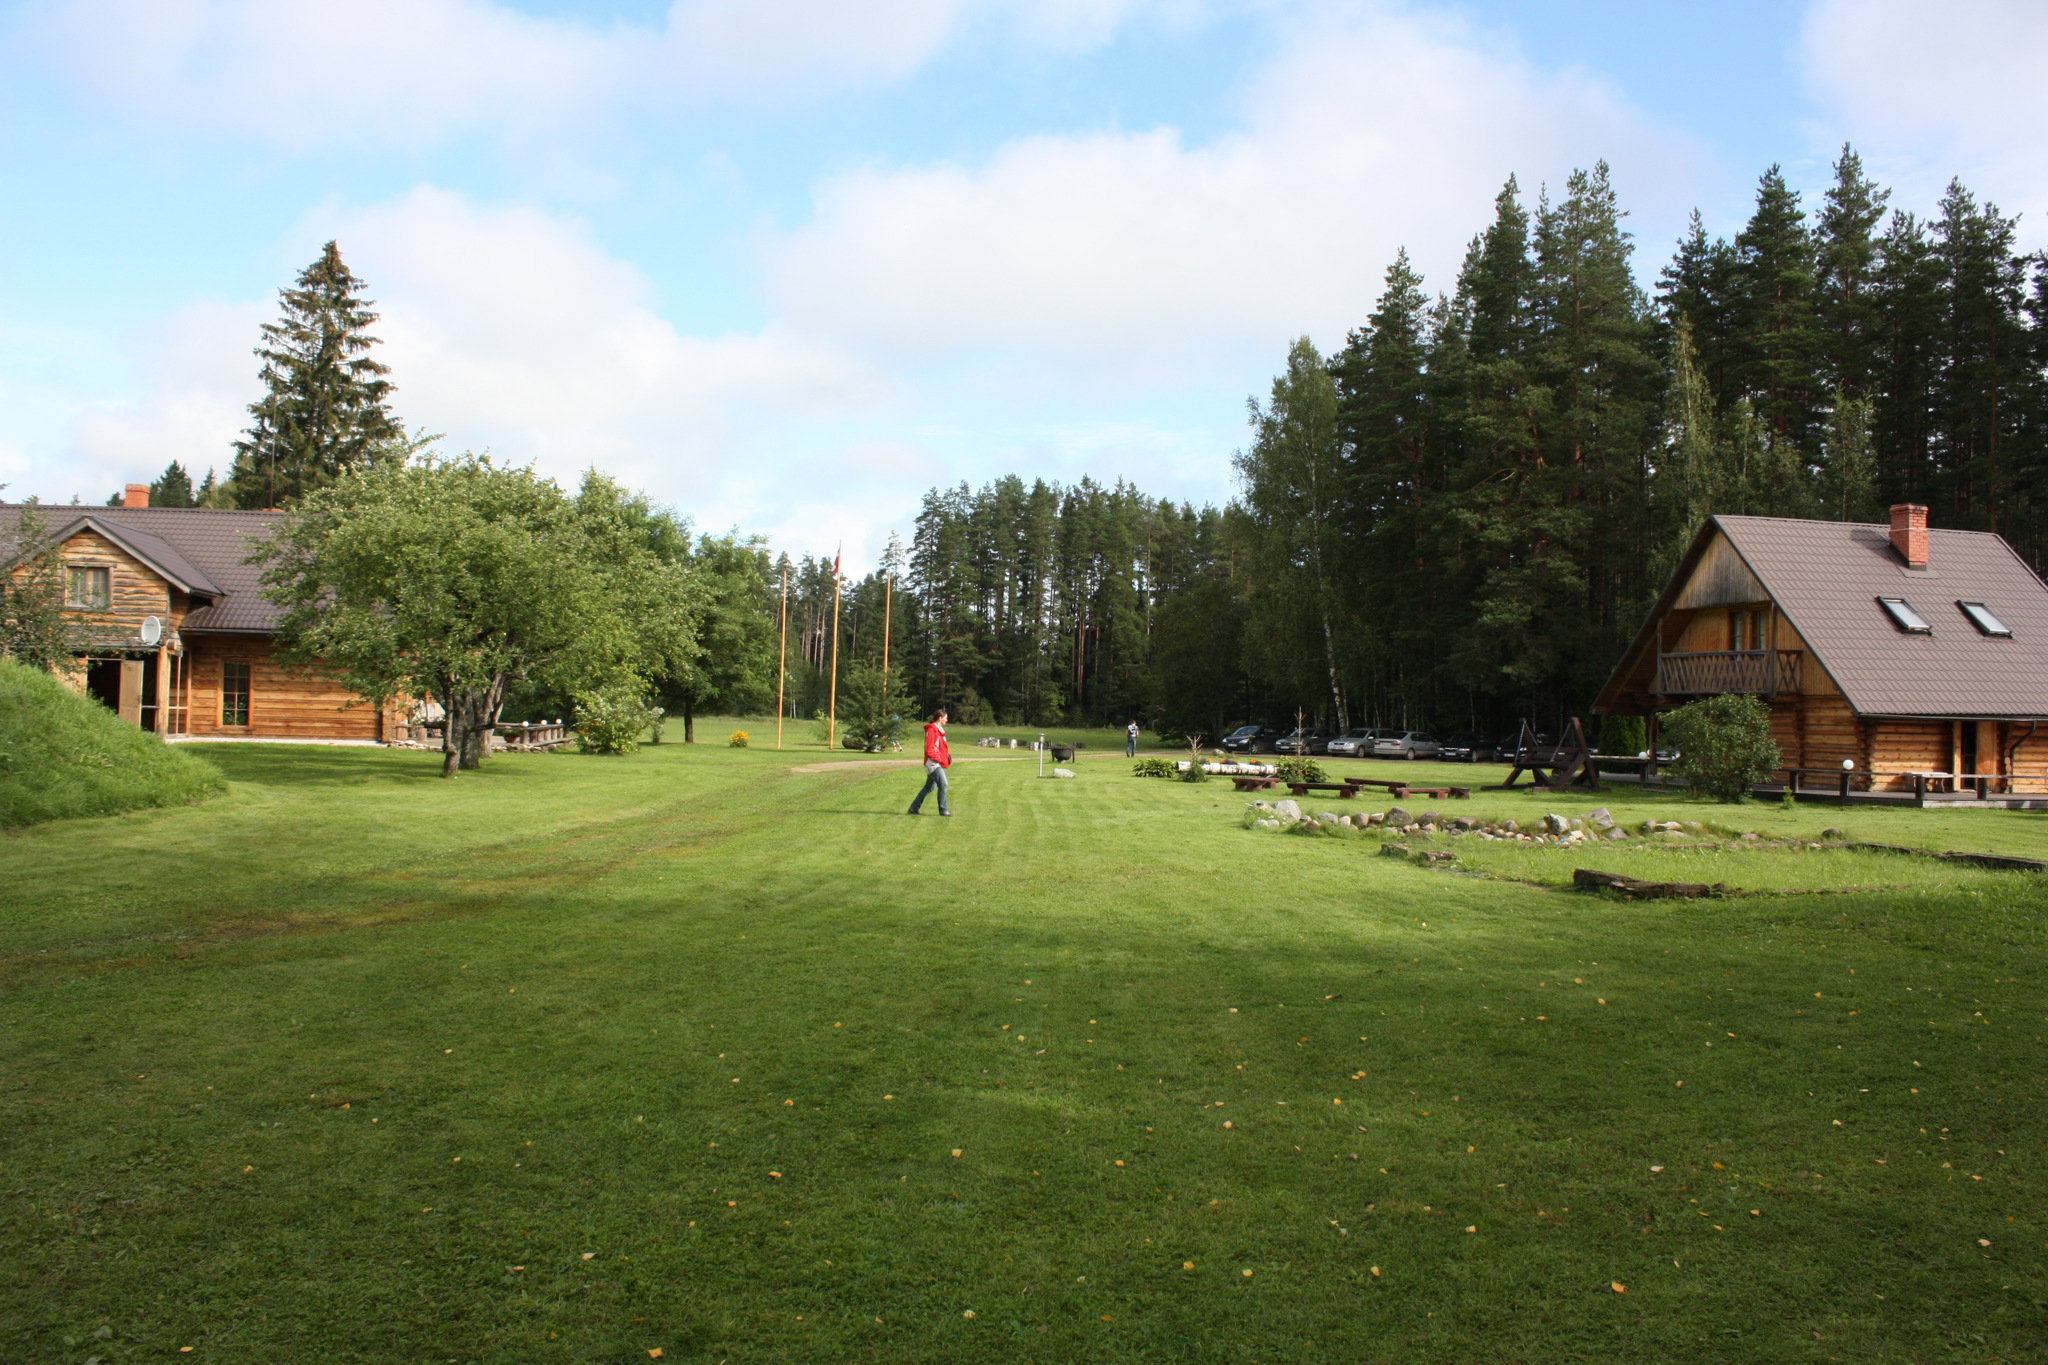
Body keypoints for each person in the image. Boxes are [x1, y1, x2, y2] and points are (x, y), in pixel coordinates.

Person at [908, 707, 951, 816]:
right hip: (933, 764)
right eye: (945, 718)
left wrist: (947, 757)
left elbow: (940, 748)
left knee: (929, 787)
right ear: (940, 718)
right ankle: (943, 810)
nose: (947, 720)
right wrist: (940, 759)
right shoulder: (932, 730)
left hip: (936, 762)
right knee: (944, 784)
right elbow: (929, 749)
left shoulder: (939, 730)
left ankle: (913, 808)